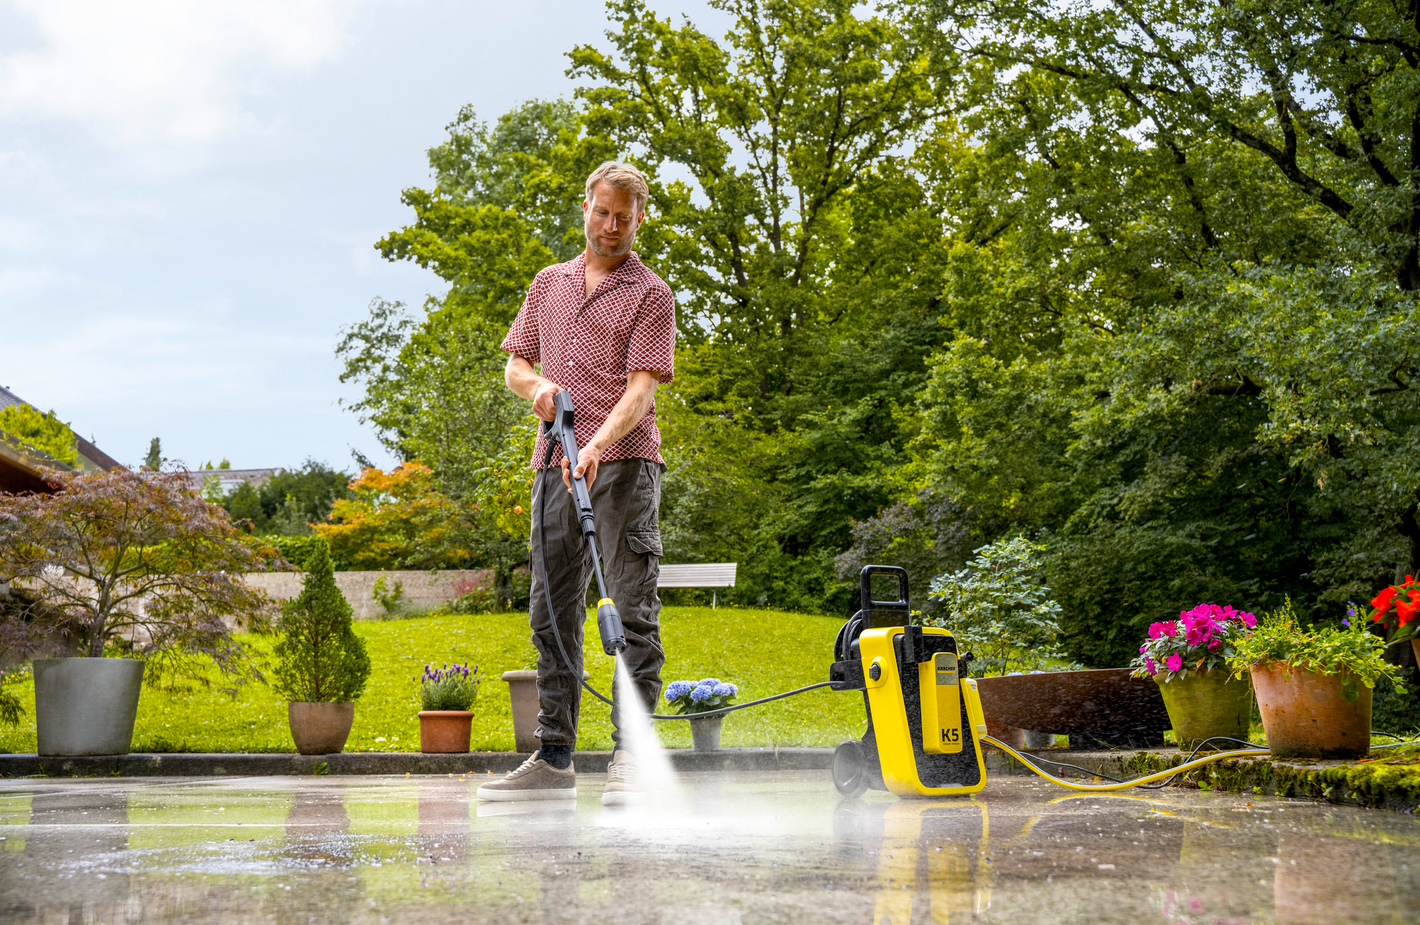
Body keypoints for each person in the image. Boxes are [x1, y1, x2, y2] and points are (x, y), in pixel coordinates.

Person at [476, 161, 676, 805]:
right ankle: (554, 757)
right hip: (553, 464)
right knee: (551, 610)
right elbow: (516, 364)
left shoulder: (651, 294)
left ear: (639, 220)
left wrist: (596, 444)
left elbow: (641, 392)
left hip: (624, 465)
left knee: (631, 611)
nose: (612, 226)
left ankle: (632, 757)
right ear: (586, 208)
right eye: (603, 212)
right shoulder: (549, 283)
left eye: (624, 217)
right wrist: (537, 388)